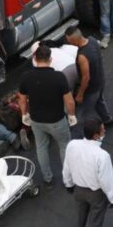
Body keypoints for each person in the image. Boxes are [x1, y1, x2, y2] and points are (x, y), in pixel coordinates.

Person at [19, 45, 77, 188]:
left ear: (35, 58)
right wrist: (71, 115)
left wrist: (24, 114)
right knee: (64, 147)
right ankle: (68, 179)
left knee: (41, 147)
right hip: (56, 120)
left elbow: (21, 99)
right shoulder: (58, 77)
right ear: (50, 59)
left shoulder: (26, 77)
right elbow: (69, 100)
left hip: (36, 120)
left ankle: (48, 178)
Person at [63, 119, 113, 227]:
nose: (104, 130)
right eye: (102, 129)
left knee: (81, 217)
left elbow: (67, 167)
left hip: (78, 189)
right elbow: (106, 180)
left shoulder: (72, 145)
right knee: (95, 222)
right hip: (96, 194)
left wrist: (68, 184)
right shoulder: (102, 155)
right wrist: (112, 198)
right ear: (95, 135)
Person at [65, 26, 113, 130]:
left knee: (82, 113)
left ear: (74, 40)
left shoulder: (82, 56)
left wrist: (80, 94)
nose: (69, 43)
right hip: (100, 79)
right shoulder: (92, 40)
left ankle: (81, 134)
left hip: (91, 89)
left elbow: (86, 77)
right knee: (99, 101)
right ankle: (107, 120)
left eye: (69, 41)